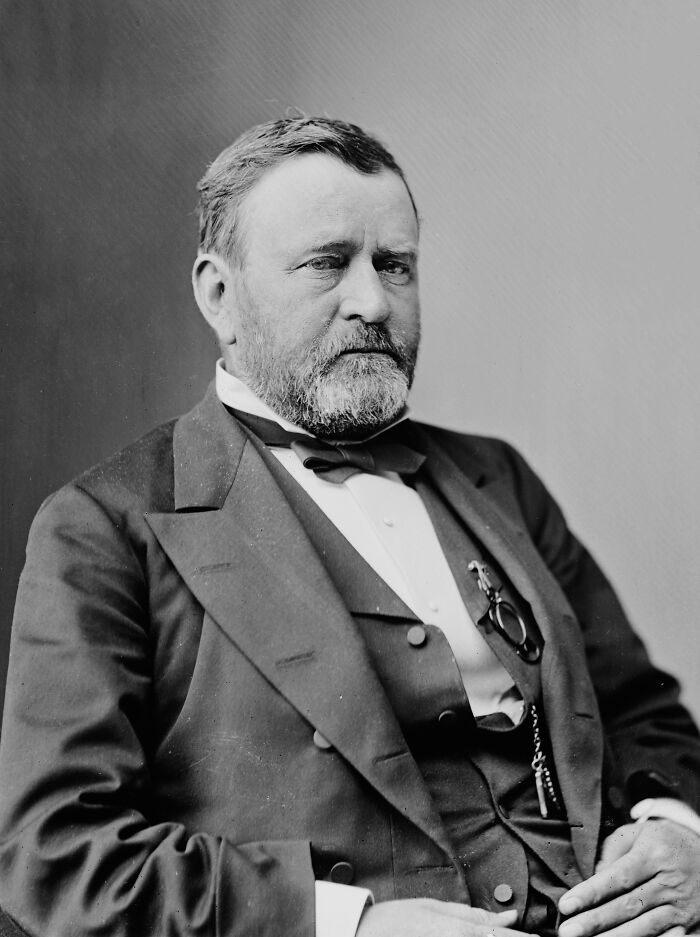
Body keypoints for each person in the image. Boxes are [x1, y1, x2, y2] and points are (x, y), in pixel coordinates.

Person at [0, 117, 699, 937]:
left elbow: (642, 711)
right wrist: (352, 927)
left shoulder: (496, 477)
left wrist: (676, 831)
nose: (372, 301)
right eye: (328, 264)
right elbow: (57, 855)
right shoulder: (105, 528)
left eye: (394, 265)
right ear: (218, 295)